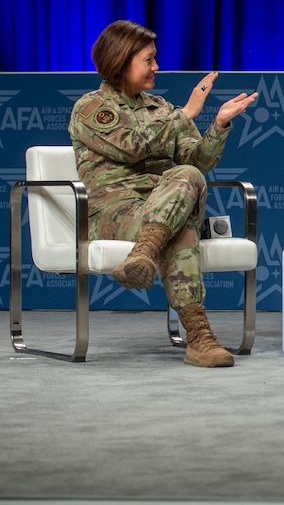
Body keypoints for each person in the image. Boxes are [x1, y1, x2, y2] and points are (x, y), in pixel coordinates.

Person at [68, 20, 258, 367]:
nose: (157, 67)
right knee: (180, 228)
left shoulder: (160, 107)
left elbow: (196, 161)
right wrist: (185, 114)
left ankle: (144, 253)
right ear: (120, 61)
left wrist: (218, 125)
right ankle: (200, 337)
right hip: (114, 214)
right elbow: (132, 148)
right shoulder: (92, 108)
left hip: (162, 206)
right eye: (149, 59)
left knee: (186, 175)